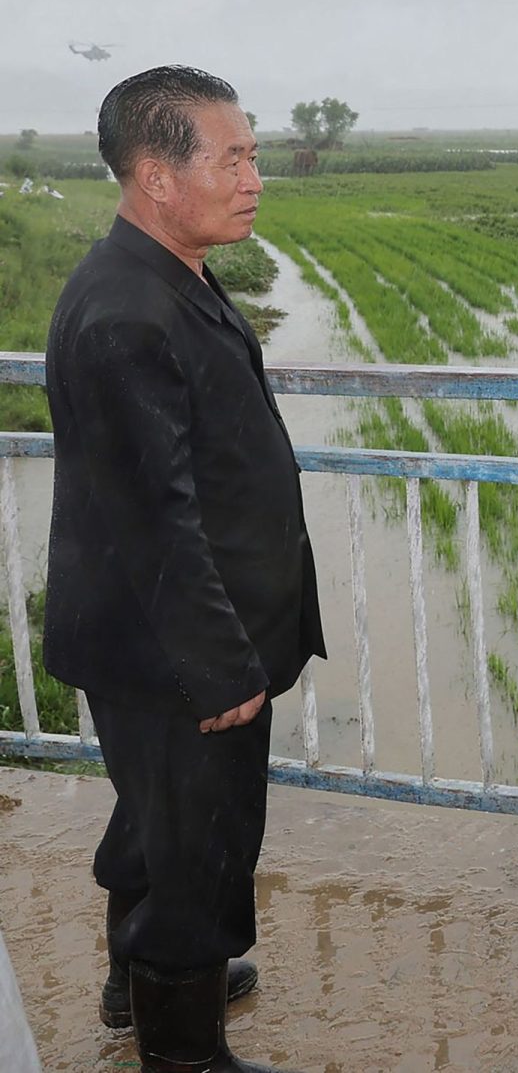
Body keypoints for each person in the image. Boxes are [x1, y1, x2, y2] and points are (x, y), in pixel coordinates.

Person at [44, 65, 324, 1073]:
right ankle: (183, 1044)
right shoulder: (127, 311)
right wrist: (219, 667)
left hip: (158, 637)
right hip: (176, 650)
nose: (255, 175)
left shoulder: (166, 271)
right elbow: (150, 519)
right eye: (233, 156)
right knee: (198, 848)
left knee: (156, 819)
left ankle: (138, 980)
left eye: (254, 153)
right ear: (159, 176)